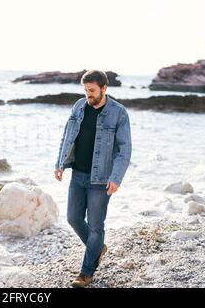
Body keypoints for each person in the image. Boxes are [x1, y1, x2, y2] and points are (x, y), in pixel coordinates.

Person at [54, 69, 132, 288]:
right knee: (73, 217)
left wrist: (116, 178)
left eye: (92, 91)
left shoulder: (119, 113)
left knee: (96, 227)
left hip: (101, 179)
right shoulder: (79, 106)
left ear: (104, 89)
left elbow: (124, 150)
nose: (88, 95)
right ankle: (97, 248)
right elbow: (66, 136)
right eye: (85, 90)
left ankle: (86, 272)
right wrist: (59, 163)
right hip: (77, 175)